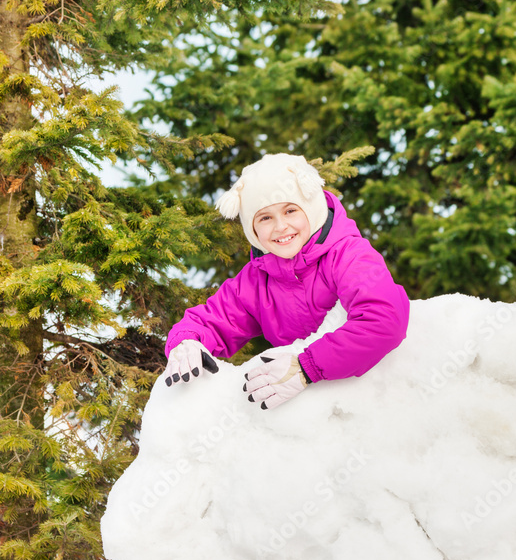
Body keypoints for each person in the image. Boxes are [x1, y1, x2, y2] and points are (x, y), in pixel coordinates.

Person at [163, 153, 409, 410]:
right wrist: (186, 342)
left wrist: (307, 365)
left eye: (290, 210)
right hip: (317, 414)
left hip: (383, 397)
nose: (280, 227)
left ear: (311, 209)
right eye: (265, 218)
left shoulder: (349, 255)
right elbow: (211, 320)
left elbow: (383, 321)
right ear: (253, 229)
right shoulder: (257, 279)